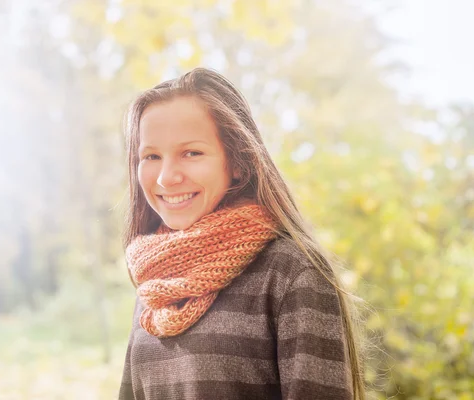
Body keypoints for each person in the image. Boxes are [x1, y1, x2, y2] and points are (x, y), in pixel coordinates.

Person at [119, 68, 365, 400]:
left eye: (191, 152)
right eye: (151, 156)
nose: (166, 177)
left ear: (236, 161)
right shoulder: (155, 282)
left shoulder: (290, 272)